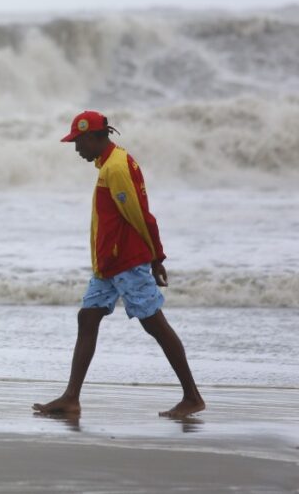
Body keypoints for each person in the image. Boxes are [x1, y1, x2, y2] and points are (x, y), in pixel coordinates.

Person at [32, 111, 205, 418]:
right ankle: (71, 398)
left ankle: (192, 397)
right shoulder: (109, 165)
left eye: (78, 142)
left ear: (94, 136)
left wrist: (156, 258)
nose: (76, 149)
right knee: (87, 319)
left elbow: (140, 215)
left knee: (156, 326)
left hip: (126, 262)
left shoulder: (116, 168)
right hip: (108, 266)